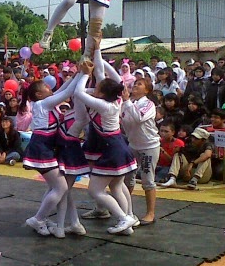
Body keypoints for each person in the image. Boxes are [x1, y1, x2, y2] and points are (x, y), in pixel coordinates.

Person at [75, 60, 138, 234]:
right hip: (118, 146)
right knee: (117, 187)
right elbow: (114, 82)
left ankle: (124, 218)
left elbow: (78, 92)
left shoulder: (102, 105)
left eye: (98, 87)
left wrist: (86, 73)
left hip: (112, 149)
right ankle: (127, 224)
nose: (95, 86)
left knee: (95, 190)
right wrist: (98, 58)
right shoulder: (115, 99)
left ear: (102, 93)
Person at [22, 67, 83, 236]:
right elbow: (66, 93)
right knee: (60, 187)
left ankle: (42, 219)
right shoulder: (43, 104)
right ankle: (38, 218)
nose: (50, 88)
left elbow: (63, 89)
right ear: (39, 94)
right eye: (46, 88)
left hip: (47, 148)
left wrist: (77, 74)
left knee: (55, 187)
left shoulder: (47, 103)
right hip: (41, 149)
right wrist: (82, 74)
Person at [121, 77, 160, 226]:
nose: (135, 86)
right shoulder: (128, 103)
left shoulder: (149, 104)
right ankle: (125, 209)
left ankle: (150, 213)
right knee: (127, 178)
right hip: (133, 145)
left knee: (147, 180)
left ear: (147, 90)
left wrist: (127, 102)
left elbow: (138, 118)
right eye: (134, 84)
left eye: (139, 84)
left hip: (148, 146)